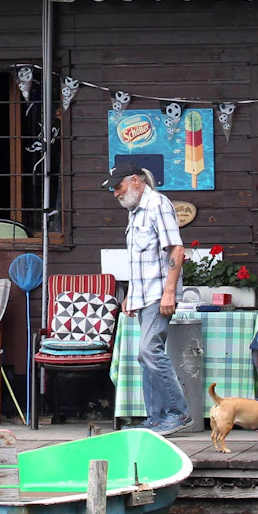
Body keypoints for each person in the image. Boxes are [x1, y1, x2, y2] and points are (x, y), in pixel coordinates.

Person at [106, 160, 190, 435]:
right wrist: (131, 294)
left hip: (158, 294)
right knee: (146, 356)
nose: (116, 193)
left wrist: (169, 293)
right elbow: (140, 260)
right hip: (143, 295)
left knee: (149, 351)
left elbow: (177, 250)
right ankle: (156, 417)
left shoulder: (158, 205)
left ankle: (178, 413)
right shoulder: (135, 211)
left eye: (118, 187)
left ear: (135, 181)